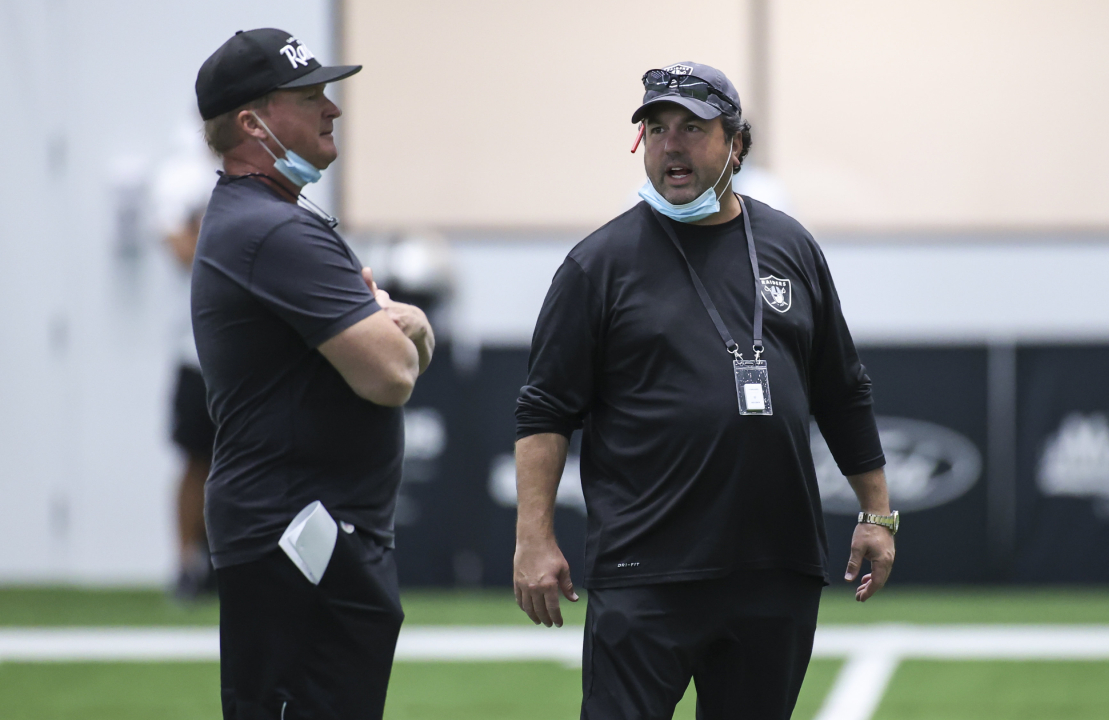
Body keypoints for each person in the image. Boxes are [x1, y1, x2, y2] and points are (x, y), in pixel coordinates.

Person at [513, 62, 898, 719]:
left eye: (692, 128)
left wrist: (878, 513)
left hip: (774, 570)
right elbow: (545, 409)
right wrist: (534, 537)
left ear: (737, 145)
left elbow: (842, 388)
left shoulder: (790, 245)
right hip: (646, 571)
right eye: (657, 129)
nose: (670, 144)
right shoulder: (597, 265)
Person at [192, 28, 434, 720]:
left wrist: (408, 322)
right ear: (252, 123)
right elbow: (391, 374)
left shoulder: (272, 222)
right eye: (309, 96)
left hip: (312, 531)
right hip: (300, 534)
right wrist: (401, 325)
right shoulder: (273, 232)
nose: (333, 109)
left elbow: (406, 345)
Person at [151, 136, 220, 600]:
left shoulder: (266, 170)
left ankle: (231, 561)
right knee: (196, 458)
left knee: (253, 461)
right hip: (196, 348)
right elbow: (179, 248)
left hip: (255, 352)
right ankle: (186, 563)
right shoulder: (184, 175)